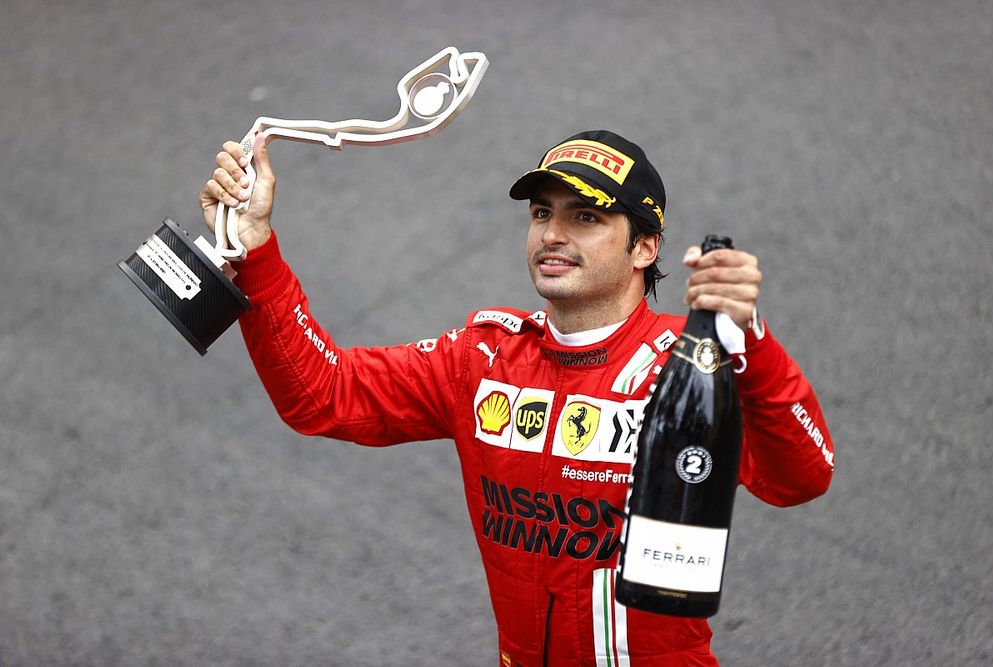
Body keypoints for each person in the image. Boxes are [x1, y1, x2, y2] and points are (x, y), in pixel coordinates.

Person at [199, 129, 835, 666]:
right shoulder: (481, 359)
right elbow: (322, 393)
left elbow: (801, 478)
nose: (552, 233)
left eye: (585, 217)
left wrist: (751, 343)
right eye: (541, 214)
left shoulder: (690, 367)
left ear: (645, 247)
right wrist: (255, 247)